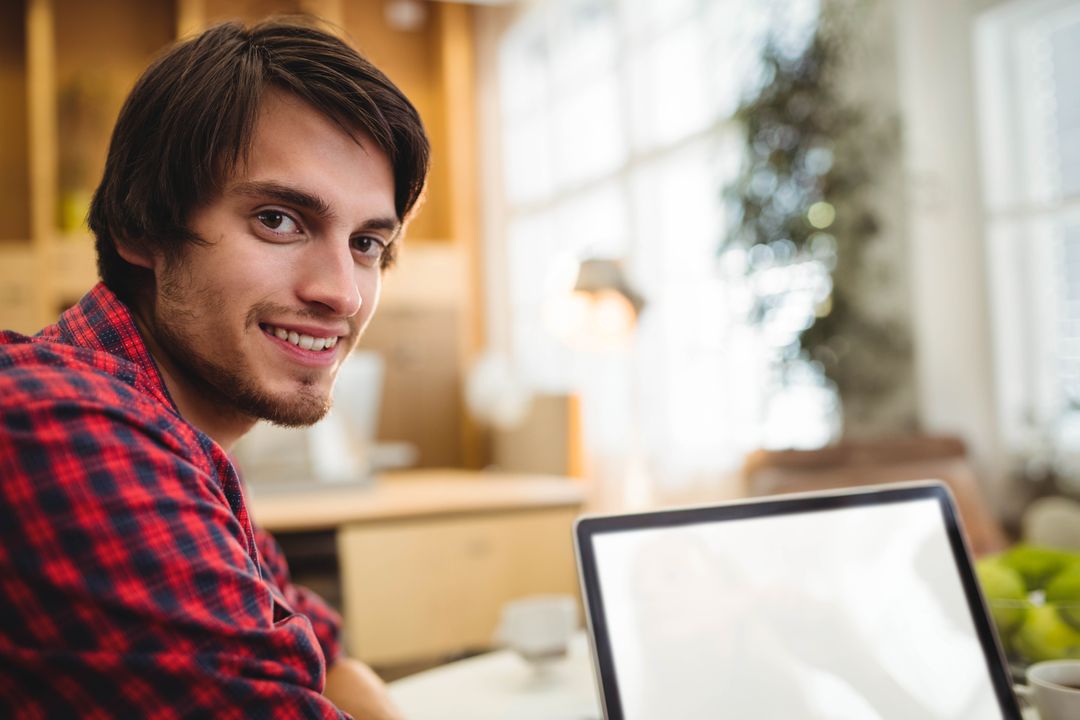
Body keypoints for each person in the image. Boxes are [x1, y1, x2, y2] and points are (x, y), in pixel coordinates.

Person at [0, 17, 429, 719]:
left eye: (366, 244)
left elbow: (326, 661)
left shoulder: (181, 444)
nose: (343, 294)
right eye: (279, 220)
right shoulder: (61, 427)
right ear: (143, 227)